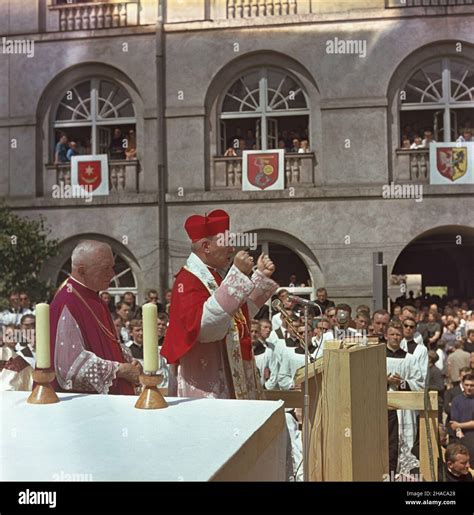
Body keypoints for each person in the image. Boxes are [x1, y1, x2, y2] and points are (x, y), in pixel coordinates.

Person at [161, 209, 278, 400]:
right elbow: (205, 328)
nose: (232, 249)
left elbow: (236, 316)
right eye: (226, 243)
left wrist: (259, 277)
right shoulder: (188, 280)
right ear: (206, 246)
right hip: (205, 378)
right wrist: (238, 275)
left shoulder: (214, 274)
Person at [49, 240, 141, 395]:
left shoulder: (95, 298)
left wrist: (128, 361)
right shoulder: (67, 300)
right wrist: (120, 370)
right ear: (82, 270)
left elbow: (107, 342)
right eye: (106, 268)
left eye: (112, 267)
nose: (112, 274)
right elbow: (69, 367)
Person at [385, 320, 424, 475]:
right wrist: (385, 380)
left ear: (402, 337)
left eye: (398, 334)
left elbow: (419, 383)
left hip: (404, 410)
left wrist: (402, 383)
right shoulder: (377, 356)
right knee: (387, 445)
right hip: (384, 407)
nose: (395, 337)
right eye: (392, 334)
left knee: (404, 448)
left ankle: (403, 476)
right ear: (386, 336)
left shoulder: (410, 359)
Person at [450, 373, 474, 459]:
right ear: (462, 384)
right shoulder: (456, 400)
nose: (469, 388)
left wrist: (459, 425)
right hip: (461, 438)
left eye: (472, 385)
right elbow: (453, 423)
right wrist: (459, 429)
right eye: (467, 385)